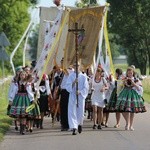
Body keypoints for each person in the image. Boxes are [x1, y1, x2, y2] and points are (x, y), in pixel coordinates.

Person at [8, 70, 35, 135]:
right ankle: (21, 127)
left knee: (24, 115)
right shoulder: (16, 83)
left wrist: (32, 99)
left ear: (25, 76)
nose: (22, 76)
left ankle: (22, 130)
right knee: (19, 116)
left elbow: (29, 92)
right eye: (21, 75)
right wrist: (11, 100)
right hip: (18, 99)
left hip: (26, 100)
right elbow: (13, 92)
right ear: (19, 76)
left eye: (23, 75)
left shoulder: (27, 83)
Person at [66, 62, 89, 135]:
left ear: (80, 66)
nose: (76, 67)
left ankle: (79, 124)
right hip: (73, 95)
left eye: (77, 65)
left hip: (80, 96)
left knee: (80, 111)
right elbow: (68, 86)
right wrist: (73, 82)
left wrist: (80, 92)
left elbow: (86, 88)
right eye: (75, 65)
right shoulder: (71, 75)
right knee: (72, 111)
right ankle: (74, 127)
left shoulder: (83, 76)